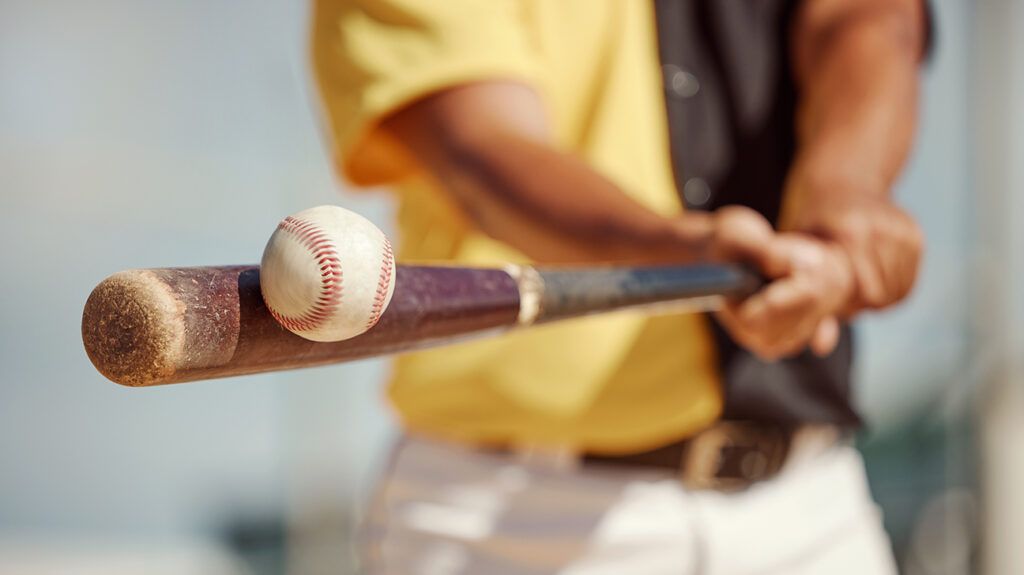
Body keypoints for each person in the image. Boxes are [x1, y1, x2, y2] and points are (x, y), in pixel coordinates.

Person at [311, 0, 928, 573]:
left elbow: (867, 15)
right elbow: (483, 146)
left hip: (809, 503)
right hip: (516, 522)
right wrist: (683, 255)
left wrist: (847, 184)